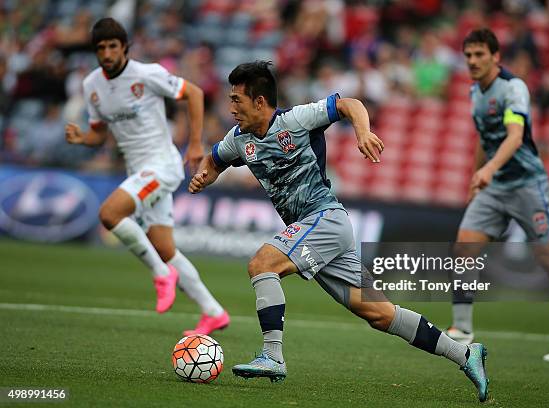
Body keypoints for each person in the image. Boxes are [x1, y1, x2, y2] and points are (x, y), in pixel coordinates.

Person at [189, 61, 489, 402]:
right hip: (319, 232)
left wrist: (362, 131)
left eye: (237, 100)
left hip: (324, 219)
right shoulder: (239, 141)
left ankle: (273, 356)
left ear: (260, 102)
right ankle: (466, 355)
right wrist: (204, 176)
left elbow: (350, 104)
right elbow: (215, 160)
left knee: (263, 264)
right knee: (379, 313)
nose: (230, 108)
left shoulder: (295, 120)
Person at [65, 18, 229, 336]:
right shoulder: (91, 87)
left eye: (113, 46)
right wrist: (81, 138)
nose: (108, 52)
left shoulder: (146, 74)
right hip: (137, 170)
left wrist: (195, 143)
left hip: (162, 165)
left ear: (124, 48)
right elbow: (99, 135)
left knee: (109, 213)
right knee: (165, 247)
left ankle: (160, 274)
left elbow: (193, 93)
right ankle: (214, 311)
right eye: (101, 48)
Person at [445, 29, 549, 362]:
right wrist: (475, 178)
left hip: (525, 185)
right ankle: (462, 328)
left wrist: (489, 170)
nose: (473, 61)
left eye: (479, 55)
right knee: (464, 246)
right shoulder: (474, 92)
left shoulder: (513, 88)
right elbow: (483, 136)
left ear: (495, 56)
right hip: (494, 188)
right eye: (468, 55)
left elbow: (515, 137)